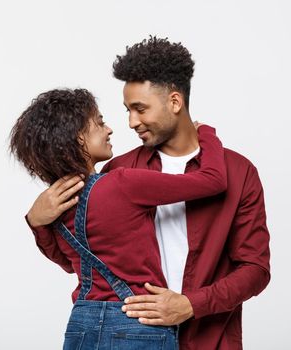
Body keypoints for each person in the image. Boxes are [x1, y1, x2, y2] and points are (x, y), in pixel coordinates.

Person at [26, 37, 271, 350]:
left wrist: (192, 304)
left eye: (140, 109)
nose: (130, 122)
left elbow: (255, 269)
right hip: (131, 335)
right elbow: (82, 262)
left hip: (209, 339)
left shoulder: (238, 172)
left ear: (174, 102)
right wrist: (37, 221)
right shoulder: (117, 171)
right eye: (127, 110)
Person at [10, 87, 227, 349]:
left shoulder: (56, 203)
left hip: (82, 322)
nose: (109, 129)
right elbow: (213, 181)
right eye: (99, 123)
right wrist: (206, 133)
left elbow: (68, 263)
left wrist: (36, 222)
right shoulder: (124, 183)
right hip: (136, 320)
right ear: (78, 138)